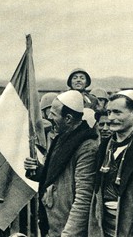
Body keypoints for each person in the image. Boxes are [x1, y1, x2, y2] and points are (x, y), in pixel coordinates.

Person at [24, 90, 99, 237]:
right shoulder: (61, 139)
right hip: (54, 229)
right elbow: (56, 177)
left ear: (68, 118)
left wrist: (68, 234)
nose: (49, 117)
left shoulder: (87, 147)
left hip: (68, 231)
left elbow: (83, 198)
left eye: (53, 114)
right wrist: (38, 170)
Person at [89, 89, 133, 237]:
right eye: (109, 112)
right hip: (105, 228)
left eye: (117, 112)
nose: (111, 118)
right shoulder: (104, 147)